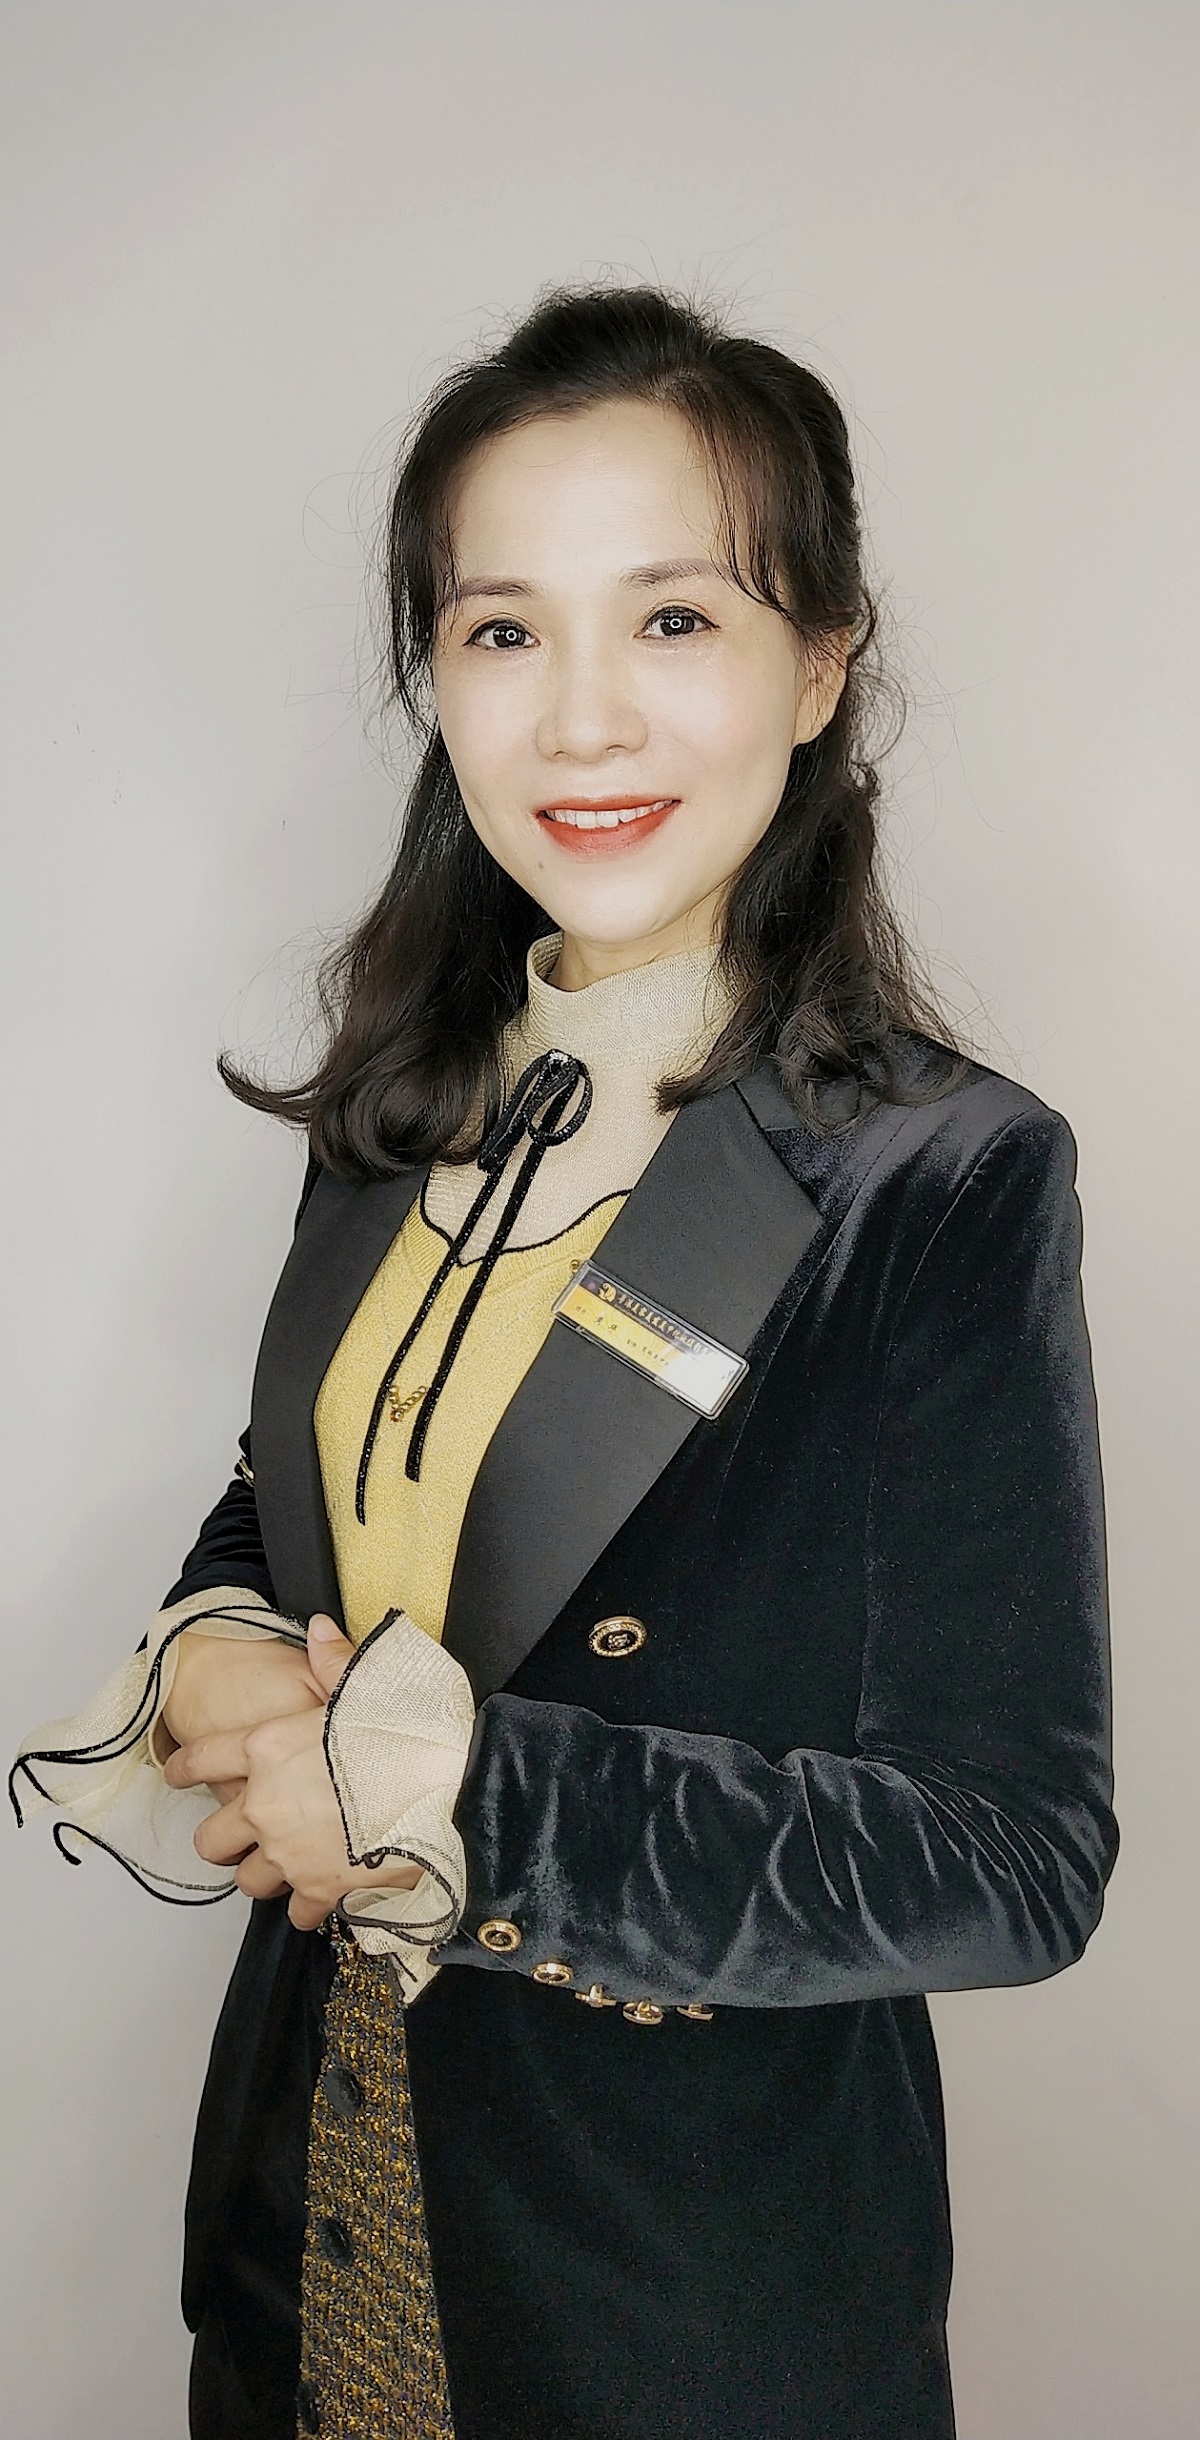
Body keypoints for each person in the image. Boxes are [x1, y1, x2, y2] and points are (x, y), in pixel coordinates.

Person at [11, 281, 1117, 2440]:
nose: (583, 720)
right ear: (435, 676)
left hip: (675, 2302)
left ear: (822, 661)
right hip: (308, 2223)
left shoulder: (939, 1172)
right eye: (504, 629)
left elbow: (1011, 1854)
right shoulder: (402, 1099)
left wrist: (453, 1795)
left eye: (676, 618)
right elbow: (329, 1496)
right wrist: (217, 1634)